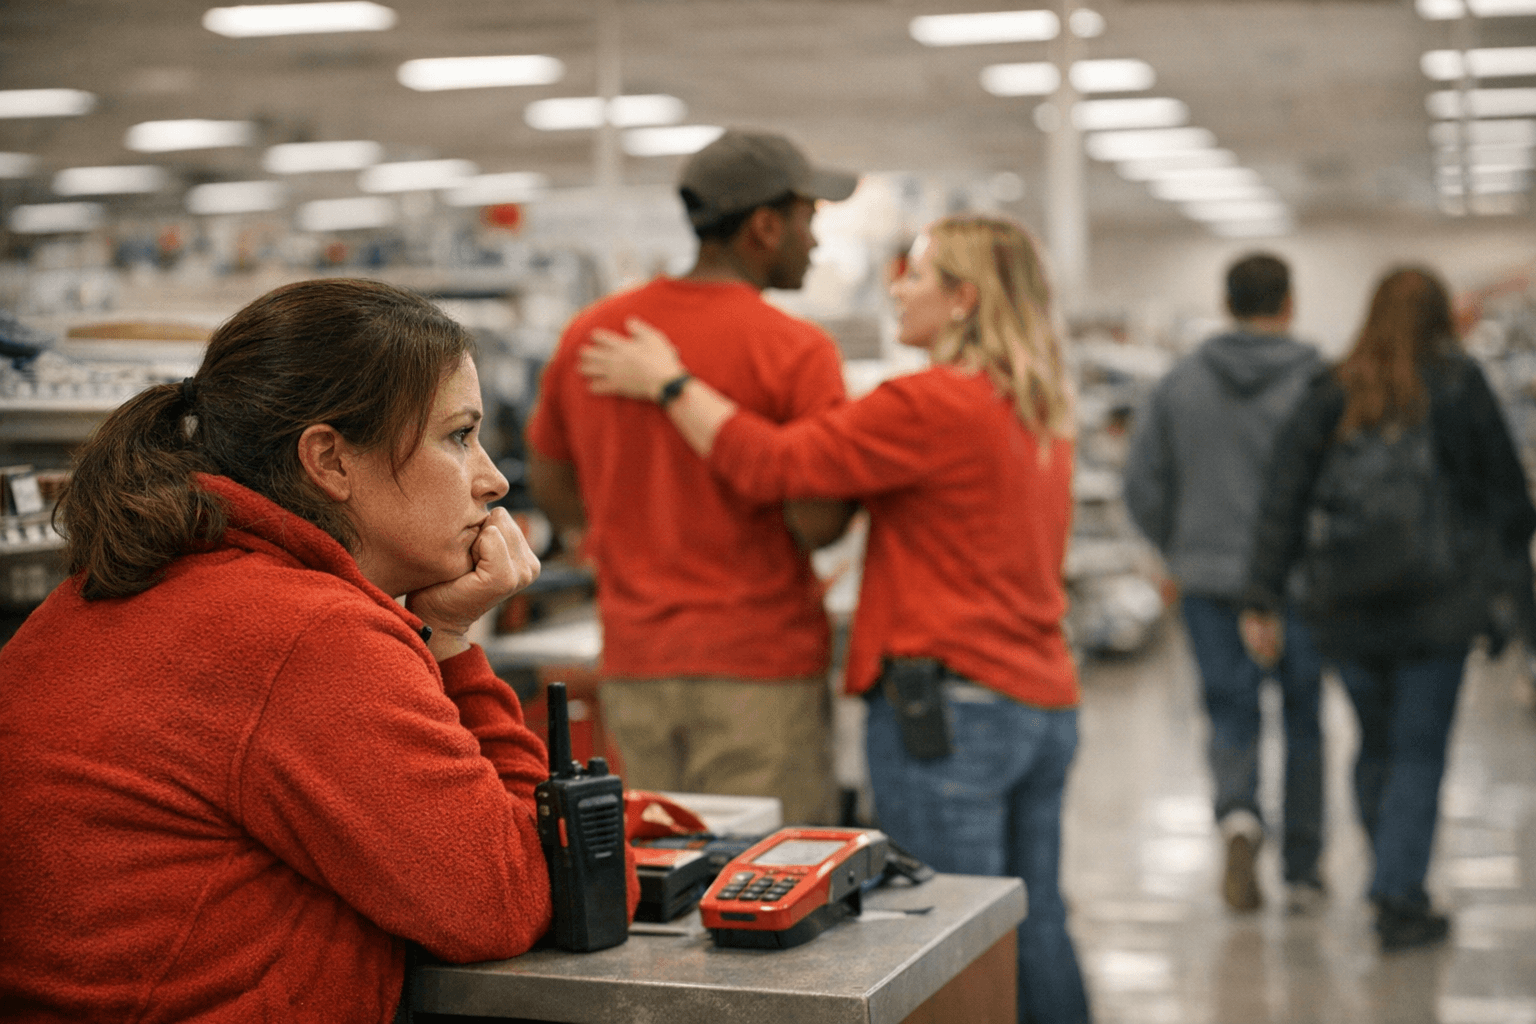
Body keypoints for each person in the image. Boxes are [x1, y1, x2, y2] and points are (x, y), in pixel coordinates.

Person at [0, 279, 636, 1022]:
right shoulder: (305, 635)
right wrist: (458, 652)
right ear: (330, 460)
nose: (492, 479)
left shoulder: (110, 589)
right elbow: (526, 898)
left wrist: (444, 630)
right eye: (459, 436)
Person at [580, 215, 1092, 1024]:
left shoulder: (929, 403)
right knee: (1034, 923)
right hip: (1040, 702)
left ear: (963, 299)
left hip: (948, 717)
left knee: (949, 943)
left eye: (914, 275)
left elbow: (776, 467)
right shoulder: (1037, 407)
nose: (896, 288)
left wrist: (672, 384)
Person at [525, 129, 859, 827]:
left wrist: (621, 527)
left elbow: (549, 481)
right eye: (809, 220)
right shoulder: (797, 351)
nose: (815, 241)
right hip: (760, 669)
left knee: (661, 883)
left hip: (636, 663)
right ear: (766, 226)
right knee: (767, 887)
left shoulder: (595, 333)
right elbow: (820, 524)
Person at [1241, 266, 1536, 950]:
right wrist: (1509, 600)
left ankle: (1390, 875)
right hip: (1440, 608)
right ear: (1440, 317)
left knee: (1375, 745)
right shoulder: (1461, 388)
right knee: (1419, 751)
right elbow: (1509, 503)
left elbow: (1282, 497)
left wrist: (1262, 593)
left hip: (1343, 607)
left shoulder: (1332, 390)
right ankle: (1397, 892)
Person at [1122, 253, 1327, 914]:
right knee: (1303, 719)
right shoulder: (1321, 383)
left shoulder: (1180, 383)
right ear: (1288, 302)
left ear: (1227, 301)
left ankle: (1239, 817)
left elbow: (1142, 482)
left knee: (1230, 707)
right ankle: (1302, 865)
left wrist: (1178, 546)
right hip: (1301, 579)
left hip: (1209, 578)